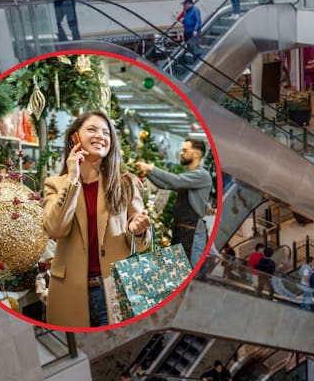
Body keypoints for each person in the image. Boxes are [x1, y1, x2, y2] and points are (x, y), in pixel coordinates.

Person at [42, 111, 151, 328]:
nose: (100, 136)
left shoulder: (125, 183)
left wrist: (137, 230)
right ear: (75, 137)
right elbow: (55, 229)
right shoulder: (56, 184)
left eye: (106, 132)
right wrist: (72, 178)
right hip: (69, 291)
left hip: (115, 288)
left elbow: (143, 241)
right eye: (92, 130)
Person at [136, 138, 212, 267]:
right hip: (182, 230)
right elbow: (166, 185)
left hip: (193, 234)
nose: (181, 153)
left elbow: (175, 180)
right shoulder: (190, 176)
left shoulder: (201, 175)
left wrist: (151, 168)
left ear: (197, 154)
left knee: (190, 271)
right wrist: (146, 173)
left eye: (185, 150)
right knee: (180, 269)